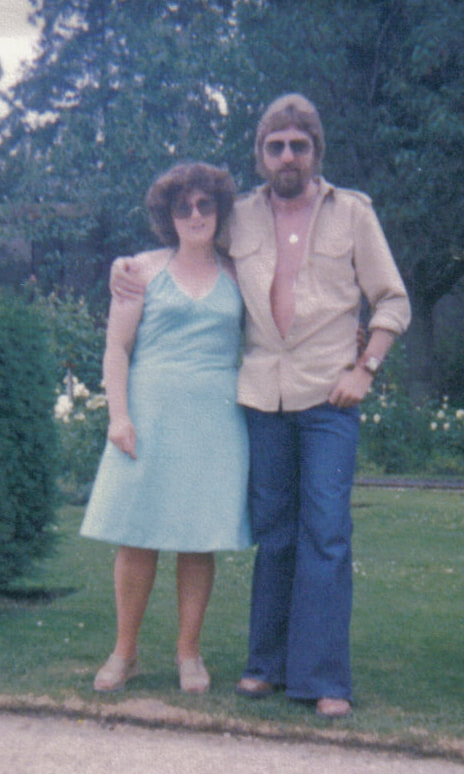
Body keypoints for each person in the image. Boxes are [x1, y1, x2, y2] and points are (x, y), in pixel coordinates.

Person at [110, 94, 411, 716]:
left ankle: (324, 679)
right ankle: (265, 667)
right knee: (275, 535)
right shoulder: (239, 217)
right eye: (276, 146)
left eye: (299, 145)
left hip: (330, 396)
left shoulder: (353, 213)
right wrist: (127, 266)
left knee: (326, 531)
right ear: (261, 155)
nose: (287, 156)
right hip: (261, 398)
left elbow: (392, 300)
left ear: (315, 151)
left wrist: (366, 368)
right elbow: (186, 247)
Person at [80, 162, 251, 695]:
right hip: (149, 416)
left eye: (205, 205)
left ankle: (188, 653)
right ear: (168, 216)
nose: (195, 215)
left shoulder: (240, 273)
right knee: (137, 537)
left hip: (215, 421)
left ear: (219, 210)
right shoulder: (140, 270)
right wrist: (119, 417)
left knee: (198, 541)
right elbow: (117, 348)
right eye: (183, 207)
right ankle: (124, 653)